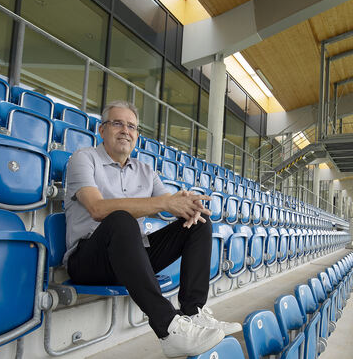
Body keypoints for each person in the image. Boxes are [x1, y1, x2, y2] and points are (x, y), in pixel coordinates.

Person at [63, 100, 241, 358]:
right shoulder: (83, 158)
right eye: (117, 123)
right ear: (102, 130)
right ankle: (168, 329)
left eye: (132, 126)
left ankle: (193, 314)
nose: (126, 130)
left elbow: (169, 206)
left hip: (130, 258)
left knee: (199, 223)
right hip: (90, 260)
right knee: (120, 218)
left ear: (137, 135)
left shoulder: (146, 170)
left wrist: (187, 205)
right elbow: (97, 209)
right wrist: (165, 202)